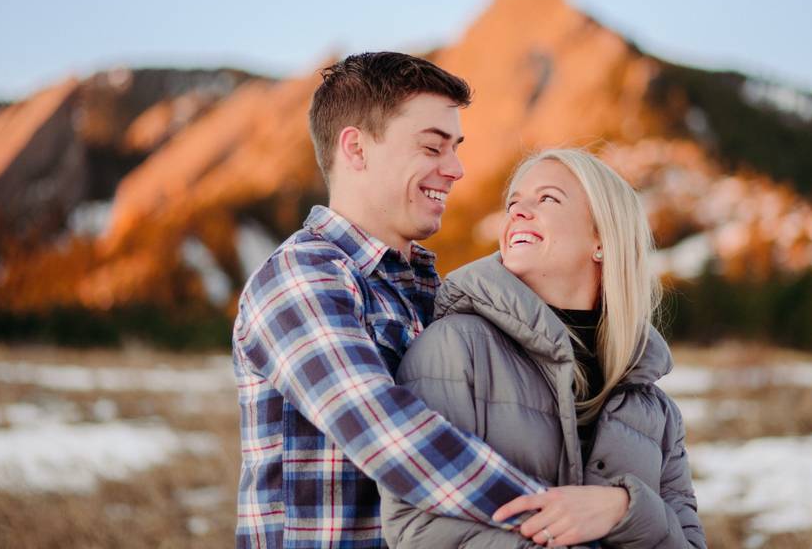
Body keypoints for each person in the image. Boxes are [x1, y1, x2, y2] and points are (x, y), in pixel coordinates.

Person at [233, 54, 637, 548]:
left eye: (456, 149)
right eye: (432, 147)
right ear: (356, 148)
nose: (456, 169)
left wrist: (622, 506)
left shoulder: (431, 291)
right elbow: (389, 436)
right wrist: (563, 524)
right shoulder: (301, 277)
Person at [381, 148, 706, 548]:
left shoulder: (658, 413)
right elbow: (419, 530)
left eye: (547, 198)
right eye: (513, 202)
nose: (518, 211)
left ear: (602, 238)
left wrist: (623, 509)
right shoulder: (454, 349)